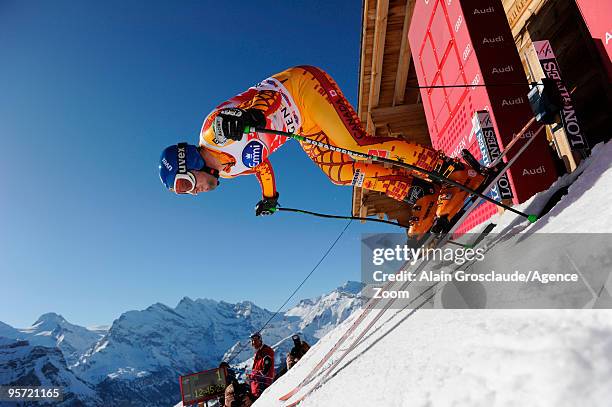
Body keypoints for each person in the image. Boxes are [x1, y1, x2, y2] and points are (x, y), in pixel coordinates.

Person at [158, 66, 487, 237]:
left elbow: (240, 108)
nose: (193, 193)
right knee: (339, 173)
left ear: (191, 163)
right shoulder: (227, 171)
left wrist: (251, 115)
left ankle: (454, 172)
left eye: (186, 185)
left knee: (354, 144)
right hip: (303, 126)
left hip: (302, 89)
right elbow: (261, 165)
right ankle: (419, 191)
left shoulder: (212, 133)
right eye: (185, 193)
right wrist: (269, 197)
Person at [248, 332, 274, 399]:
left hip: (263, 385)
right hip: (255, 387)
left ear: (260, 340)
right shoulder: (258, 353)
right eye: (252, 341)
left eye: (255, 340)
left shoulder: (266, 350)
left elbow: (267, 363)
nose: (254, 342)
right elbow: (256, 370)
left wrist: (262, 372)